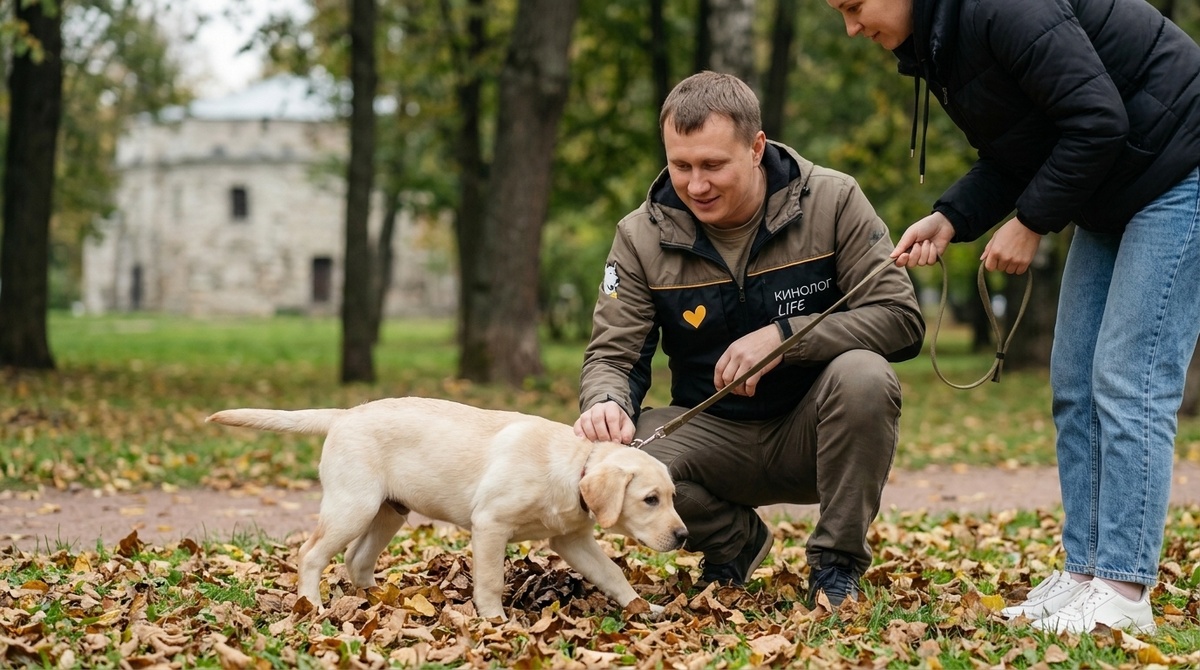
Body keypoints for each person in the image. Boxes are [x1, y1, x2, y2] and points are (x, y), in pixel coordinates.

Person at [826, 0, 1200, 634]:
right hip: (1118, 183)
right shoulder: (942, 45)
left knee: (1127, 379)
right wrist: (951, 217)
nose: (853, 28)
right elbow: (1018, 152)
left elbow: (1096, 119)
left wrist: (1029, 223)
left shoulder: (1001, 7)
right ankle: (1085, 573)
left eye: (855, 6)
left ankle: (1124, 590)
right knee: (1076, 381)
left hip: (1180, 164)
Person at [573, 71, 925, 608]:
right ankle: (734, 541)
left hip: (813, 434)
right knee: (624, 451)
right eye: (680, 165)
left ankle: (836, 567)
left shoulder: (833, 200)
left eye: (714, 165)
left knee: (865, 375)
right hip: (708, 439)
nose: (695, 185)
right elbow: (612, 354)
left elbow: (900, 318)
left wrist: (786, 338)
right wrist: (605, 402)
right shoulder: (639, 236)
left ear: (757, 147)